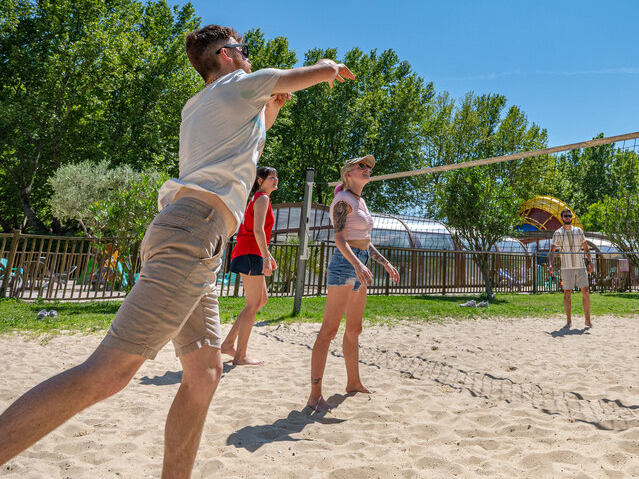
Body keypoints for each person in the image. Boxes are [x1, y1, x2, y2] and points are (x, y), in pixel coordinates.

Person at [0, 25, 355, 479]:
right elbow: (296, 75)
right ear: (226, 57)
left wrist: (269, 113)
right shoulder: (236, 84)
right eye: (243, 51)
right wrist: (328, 69)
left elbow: (243, 149)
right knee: (108, 373)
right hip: (193, 233)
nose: (248, 56)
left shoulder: (201, 106)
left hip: (191, 234)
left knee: (204, 374)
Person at [307, 155, 400, 412]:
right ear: (348, 173)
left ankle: (353, 382)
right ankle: (315, 395)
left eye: (369, 166)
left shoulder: (361, 201)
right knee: (329, 330)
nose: (367, 169)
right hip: (345, 265)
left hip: (360, 261)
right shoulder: (342, 200)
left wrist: (382, 262)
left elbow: (364, 239)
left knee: (354, 329)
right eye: (362, 166)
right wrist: (358, 265)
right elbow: (339, 238)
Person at [220, 166, 279, 366]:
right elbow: (258, 230)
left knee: (261, 300)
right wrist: (264, 257)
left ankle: (229, 343)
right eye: (271, 177)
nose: (275, 180)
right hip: (250, 252)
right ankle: (240, 355)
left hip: (250, 251)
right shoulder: (262, 198)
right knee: (253, 303)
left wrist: (267, 256)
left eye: (276, 177)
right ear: (260, 180)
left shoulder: (259, 198)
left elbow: (257, 231)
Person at [549, 208, 594, 329]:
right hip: (566, 267)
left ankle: (587, 320)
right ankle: (568, 321)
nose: (568, 217)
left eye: (569, 216)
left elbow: (585, 247)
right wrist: (550, 264)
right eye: (565, 216)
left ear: (572, 218)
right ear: (562, 218)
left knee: (585, 291)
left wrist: (590, 261)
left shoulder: (578, 231)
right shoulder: (557, 233)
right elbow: (552, 250)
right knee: (567, 293)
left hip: (580, 266)